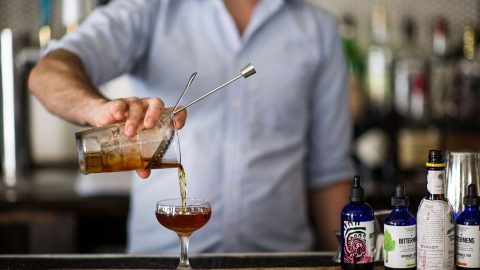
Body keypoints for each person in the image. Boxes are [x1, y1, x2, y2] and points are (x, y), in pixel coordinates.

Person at [29, 0, 355, 253]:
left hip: (277, 263)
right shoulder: (150, 9)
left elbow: (329, 174)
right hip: (160, 262)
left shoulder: (318, 30)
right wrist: (100, 109)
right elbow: (47, 73)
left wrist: (346, 258)